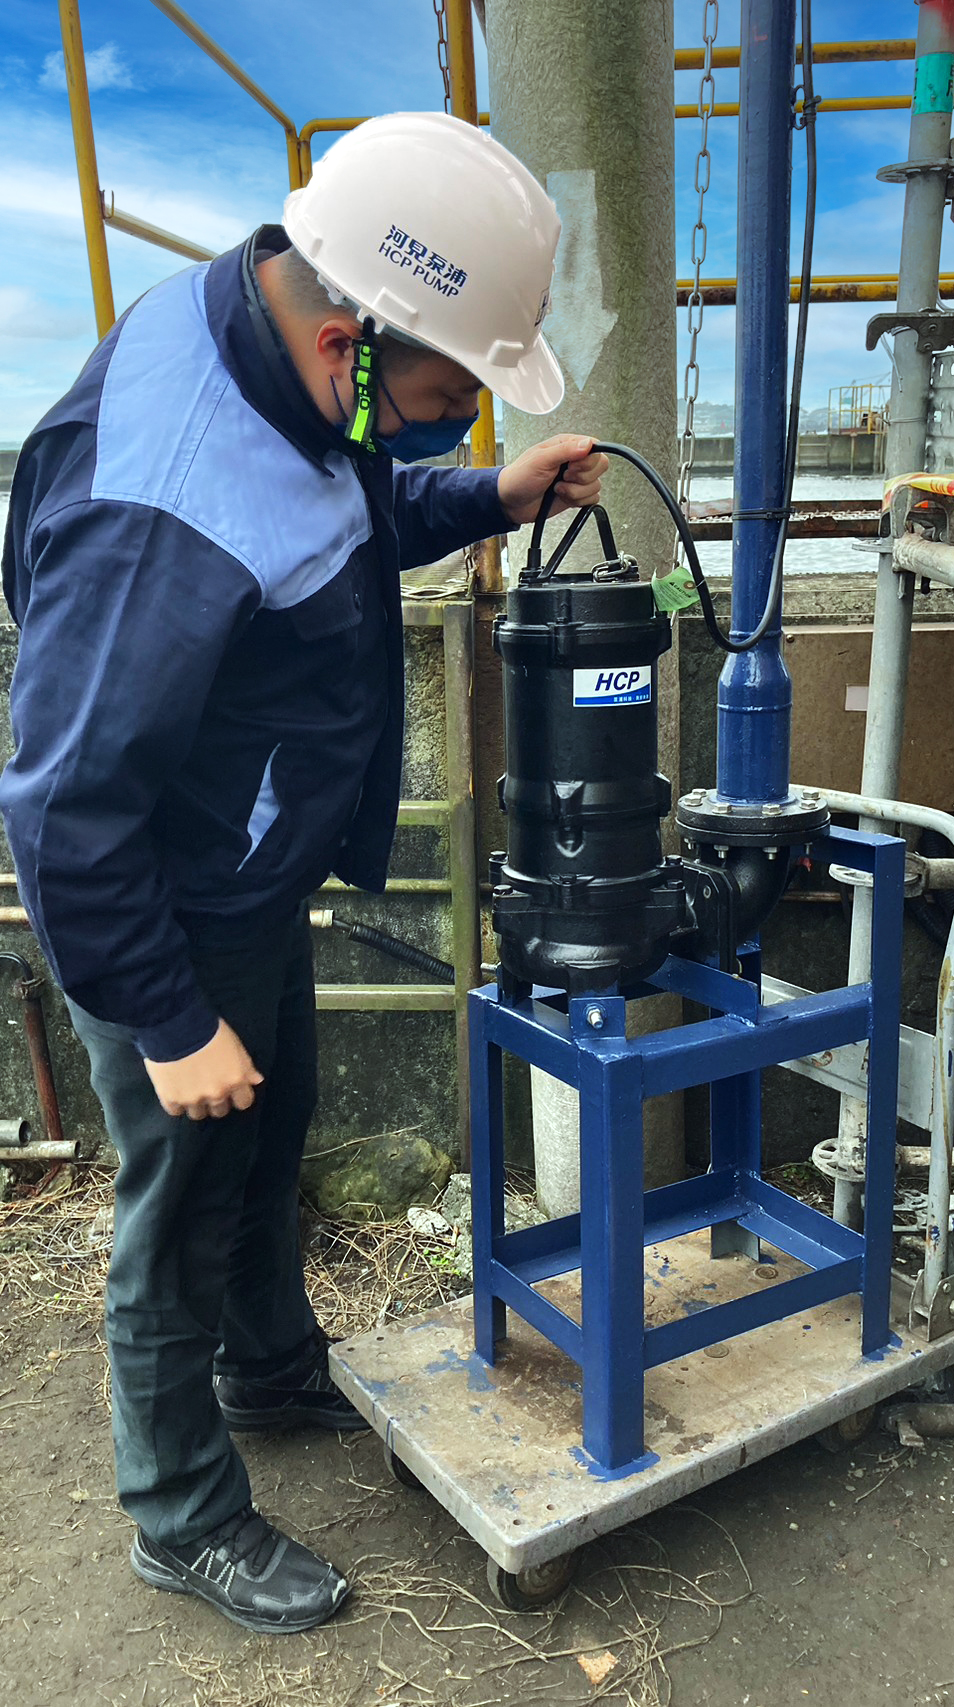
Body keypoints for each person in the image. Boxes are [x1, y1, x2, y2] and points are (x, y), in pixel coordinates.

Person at [0, 111, 607, 1635]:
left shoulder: (275, 355)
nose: (447, 427)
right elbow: (64, 802)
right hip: (173, 920)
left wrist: (491, 496)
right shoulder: (163, 503)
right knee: (182, 1202)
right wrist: (166, 1018)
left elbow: (346, 510)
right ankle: (182, 1514)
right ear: (348, 337)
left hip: (246, 879)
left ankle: (271, 1374)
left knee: (270, 1155)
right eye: (441, 399)